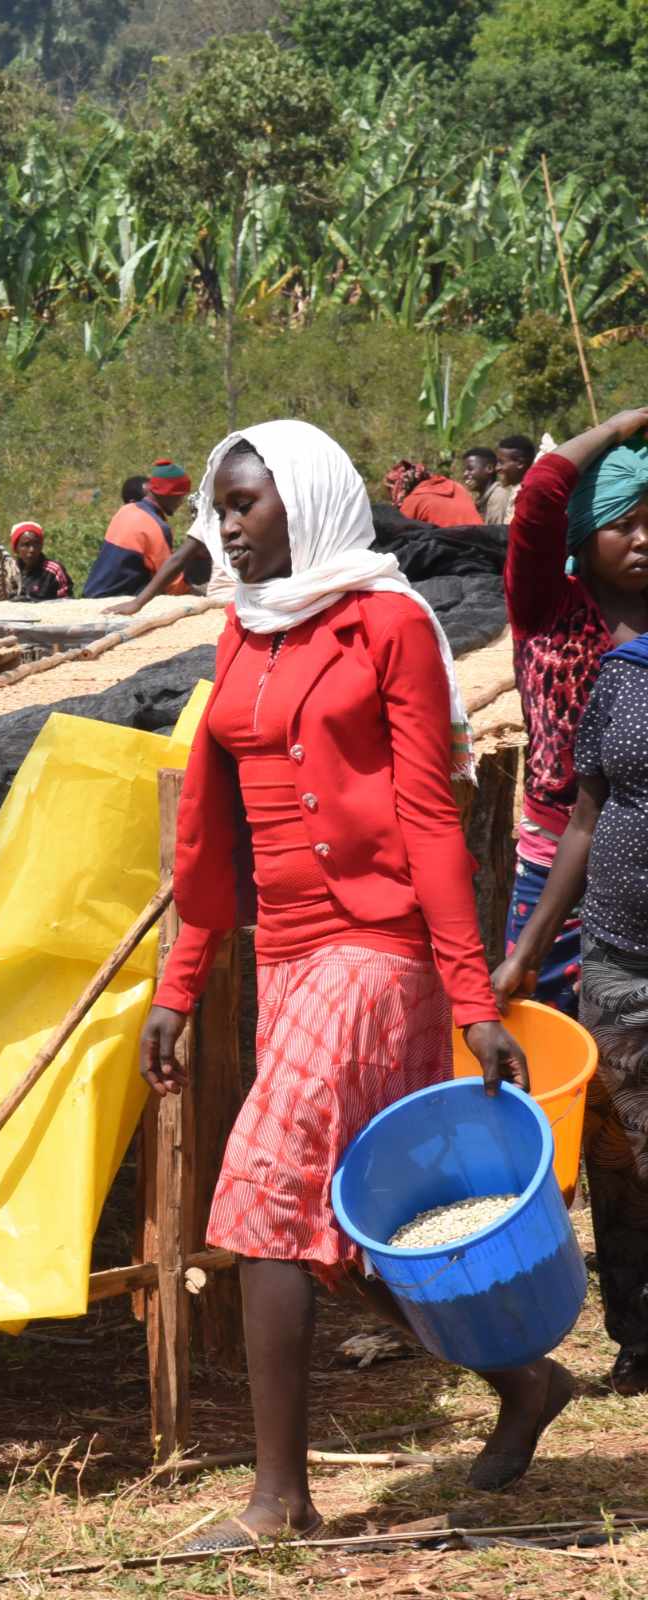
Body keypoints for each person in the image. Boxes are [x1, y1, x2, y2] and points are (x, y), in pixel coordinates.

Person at [137, 421, 566, 1555]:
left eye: (245, 504)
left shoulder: (388, 624)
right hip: (285, 952)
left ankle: (279, 1500)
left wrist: (473, 998)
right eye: (219, 507)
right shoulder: (239, 633)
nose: (224, 525)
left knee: (269, 1193)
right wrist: (181, 982)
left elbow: (430, 818)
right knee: (357, 1224)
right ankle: (523, 1378)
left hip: (378, 951)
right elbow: (208, 831)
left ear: (310, 501)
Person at [491, 411, 648, 1393]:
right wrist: (629, 422)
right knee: (576, 1109)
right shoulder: (548, 607)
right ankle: (606, 1311)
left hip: (631, 881)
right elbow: (538, 496)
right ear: (584, 536)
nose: (643, 537)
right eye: (624, 518)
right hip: (556, 874)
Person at [84, 459, 192, 599]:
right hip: (118, 598)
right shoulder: (155, 526)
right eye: (179, 496)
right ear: (168, 493)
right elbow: (172, 584)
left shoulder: (126, 510)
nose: (181, 502)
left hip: (93, 591)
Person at [384, 459, 484, 527]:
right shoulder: (456, 486)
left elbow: (399, 536)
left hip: (457, 555)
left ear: (399, 487)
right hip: (487, 549)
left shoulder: (412, 501)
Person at [11, 522, 73, 600]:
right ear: (16, 549)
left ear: (41, 546)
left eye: (36, 544)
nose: (32, 550)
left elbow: (67, 600)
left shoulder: (54, 570)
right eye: (26, 545)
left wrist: (32, 601)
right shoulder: (10, 571)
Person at [489, 434, 538, 524]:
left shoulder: (529, 496)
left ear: (520, 463)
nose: (497, 468)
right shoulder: (514, 492)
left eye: (501, 462)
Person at [463, 446, 500, 519]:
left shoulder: (498, 497)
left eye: (470, 469)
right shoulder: (480, 501)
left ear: (489, 469)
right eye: (464, 470)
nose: (465, 474)